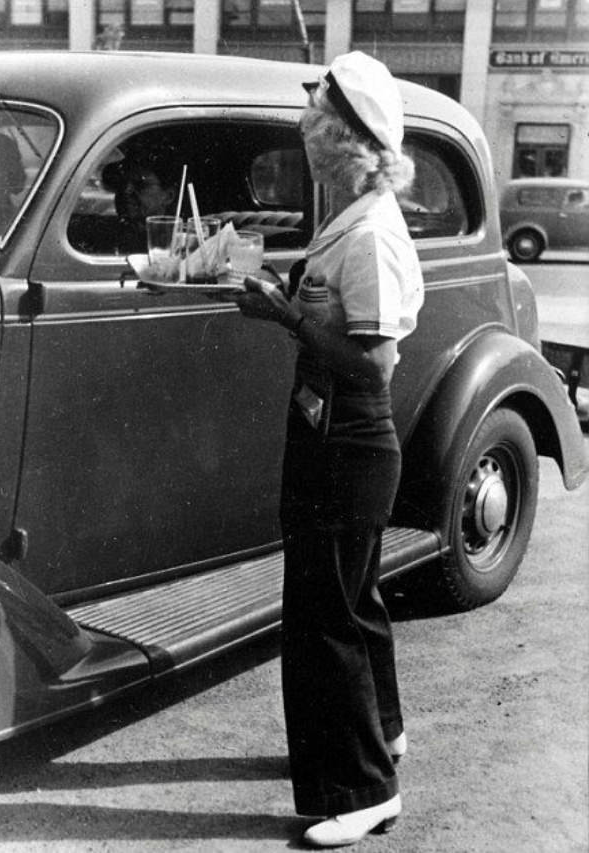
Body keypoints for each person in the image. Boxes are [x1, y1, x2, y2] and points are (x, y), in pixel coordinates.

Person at [234, 51, 424, 848]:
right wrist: (289, 296)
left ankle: (365, 789)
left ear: (342, 146)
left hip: (348, 433)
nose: (308, 148)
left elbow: (374, 360)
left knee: (327, 612)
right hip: (330, 429)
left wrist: (285, 318)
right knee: (351, 597)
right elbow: (338, 318)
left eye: (317, 135)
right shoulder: (350, 217)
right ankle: (381, 731)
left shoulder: (371, 231)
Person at [101, 148, 180, 254]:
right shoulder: (104, 235)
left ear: (168, 196)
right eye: (122, 183)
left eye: (141, 185)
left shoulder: (178, 245)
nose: (126, 191)